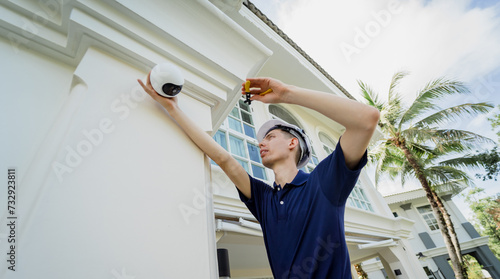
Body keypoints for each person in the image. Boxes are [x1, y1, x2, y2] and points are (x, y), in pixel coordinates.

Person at [138, 75, 379, 278]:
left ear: (293, 143)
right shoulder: (265, 199)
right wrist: (173, 109)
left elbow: (366, 119)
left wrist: (285, 93)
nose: (261, 143)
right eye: (261, 140)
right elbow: (224, 160)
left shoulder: (323, 183)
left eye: (271, 137)